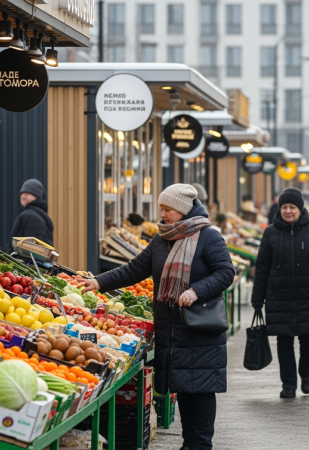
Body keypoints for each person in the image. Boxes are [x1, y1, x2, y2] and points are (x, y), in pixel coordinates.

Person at [83, 184, 235, 450]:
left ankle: (199, 445)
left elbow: (225, 273)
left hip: (199, 330)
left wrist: (196, 290)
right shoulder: (162, 239)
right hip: (172, 331)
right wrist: (98, 282)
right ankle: (191, 445)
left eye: (168, 210)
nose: (162, 215)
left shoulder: (208, 237)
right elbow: (134, 269)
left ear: (183, 210)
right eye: (162, 209)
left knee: (199, 391)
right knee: (184, 390)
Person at [251, 188, 309, 398]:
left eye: (292, 207)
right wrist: (257, 299)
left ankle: (306, 375)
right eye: (284, 207)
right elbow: (262, 267)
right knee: (284, 342)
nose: (287, 211)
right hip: (279, 298)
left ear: (300, 209)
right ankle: (288, 384)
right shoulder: (271, 233)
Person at [9, 179, 54, 248]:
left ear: (37, 196)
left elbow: (29, 249)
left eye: (27, 194)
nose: (23, 196)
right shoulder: (40, 216)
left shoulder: (30, 217)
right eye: (22, 194)